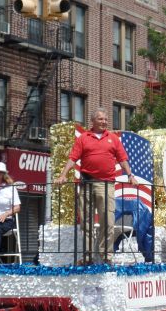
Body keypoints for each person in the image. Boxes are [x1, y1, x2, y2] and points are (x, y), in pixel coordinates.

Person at [54, 108, 138, 264]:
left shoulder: (113, 138)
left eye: (106, 119)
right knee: (86, 222)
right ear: (92, 121)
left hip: (106, 184)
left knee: (108, 221)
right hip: (86, 183)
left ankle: (106, 255)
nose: (104, 122)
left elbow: (123, 159)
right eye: (100, 119)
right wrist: (63, 174)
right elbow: (73, 158)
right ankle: (87, 257)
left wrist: (130, 175)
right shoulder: (84, 138)